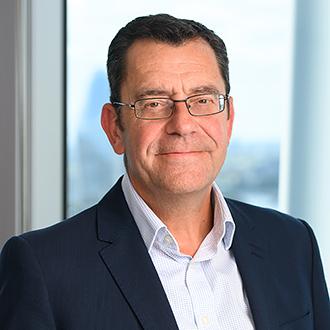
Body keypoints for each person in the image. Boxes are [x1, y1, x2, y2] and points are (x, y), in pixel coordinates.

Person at [0, 13, 329, 330]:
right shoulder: (43, 269)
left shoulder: (293, 244)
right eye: (154, 103)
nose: (183, 125)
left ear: (228, 119)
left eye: (202, 100)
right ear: (114, 127)